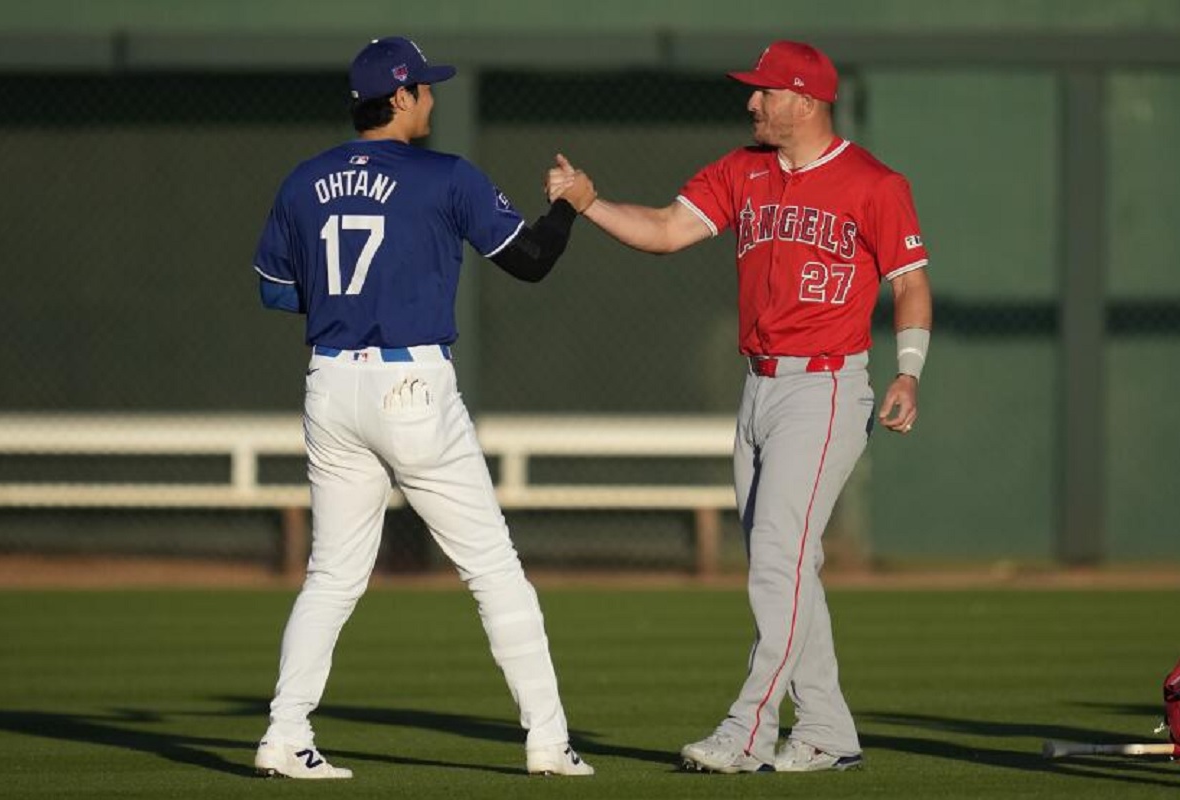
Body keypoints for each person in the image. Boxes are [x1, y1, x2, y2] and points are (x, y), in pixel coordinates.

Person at [549, 39, 932, 774]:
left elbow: (910, 282)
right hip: (758, 387)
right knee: (787, 564)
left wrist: (908, 372)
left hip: (823, 386)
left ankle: (747, 731)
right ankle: (824, 728)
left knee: (774, 563)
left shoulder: (873, 183)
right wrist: (589, 202)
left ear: (807, 100)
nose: (750, 102)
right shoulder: (742, 170)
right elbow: (665, 232)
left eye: (765, 91)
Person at [250, 36, 594, 779]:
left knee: (332, 578)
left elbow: (273, 289)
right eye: (426, 89)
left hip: (332, 384)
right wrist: (566, 209)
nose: (433, 98)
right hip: (411, 386)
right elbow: (530, 262)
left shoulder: (304, 180)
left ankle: (283, 734)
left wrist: (349, 296)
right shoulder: (446, 176)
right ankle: (547, 741)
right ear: (400, 98)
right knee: (494, 570)